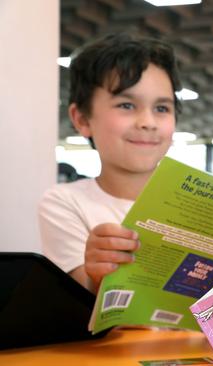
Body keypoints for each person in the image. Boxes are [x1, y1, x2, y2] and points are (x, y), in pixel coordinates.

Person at [38, 33, 181, 293]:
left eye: (162, 109)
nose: (148, 122)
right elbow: (80, 309)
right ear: (82, 118)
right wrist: (96, 275)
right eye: (126, 105)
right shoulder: (65, 203)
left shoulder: (199, 207)